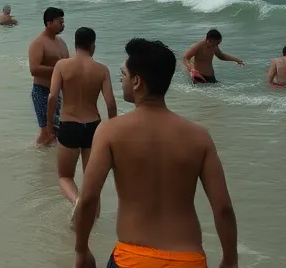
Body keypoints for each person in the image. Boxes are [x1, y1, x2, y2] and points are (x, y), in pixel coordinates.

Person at [73, 39, 238, 268]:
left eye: (124, 74)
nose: (122, 80)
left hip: (132, 259)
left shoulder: (110, 131)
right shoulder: (199, 136)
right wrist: (230, 260)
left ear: (137, 81)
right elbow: (223, 208)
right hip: (188, 260)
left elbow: (89, 198)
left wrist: (82, 250)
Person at [46, 26, 118, 205]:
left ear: (75, 44)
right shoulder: (102, 70)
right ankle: (92, 221)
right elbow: (110, 103)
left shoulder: (62, 65)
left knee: (65, 176)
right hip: (93, 127)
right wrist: (112, 131)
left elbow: (52, 97)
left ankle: (77, 201)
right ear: (93, 45)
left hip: (69, 125)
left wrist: (49, 125)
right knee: (91, 180)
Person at [28, 7, 69, 145]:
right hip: (42, 90)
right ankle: (37, 154)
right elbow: (34, 69)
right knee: (47, 131)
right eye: (60, 22)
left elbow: (67, 67)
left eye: (63, 21)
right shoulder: (38, 43)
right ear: (49, 23)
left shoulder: (61, 43)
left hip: (56, 92)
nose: (63, 25)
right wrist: (57, 69)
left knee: (55, 131)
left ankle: (46, 159)